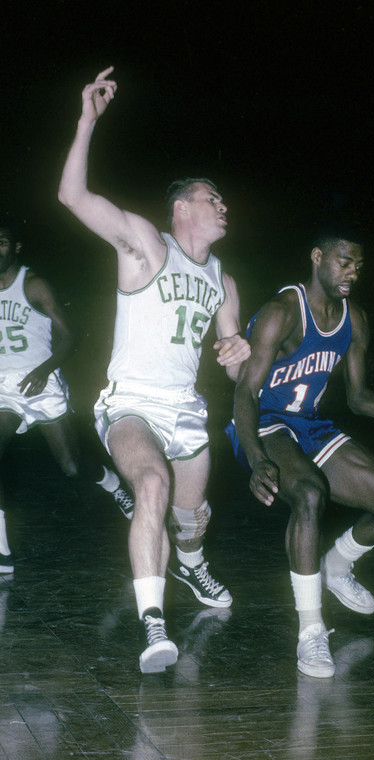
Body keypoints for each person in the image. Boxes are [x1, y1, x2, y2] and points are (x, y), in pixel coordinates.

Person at [58, 67, 250, 674]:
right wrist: (87, 122)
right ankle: (154, 626)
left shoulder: (224, 280)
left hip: (186, 410)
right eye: (210, 196)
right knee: (151, 488)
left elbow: (233, 354)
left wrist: (238, 354)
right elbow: (73, 198)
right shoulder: (146, 245)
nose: (223, 204)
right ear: (180, 208)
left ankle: (191, 561)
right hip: (131, 403)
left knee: (190, 523)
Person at [228, 225, 374, 679]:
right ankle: (311, 631)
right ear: (317, 257)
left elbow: (359, 399)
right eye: (344, 261)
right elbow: (245, 391)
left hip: (310, 425)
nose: (353, 272)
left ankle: (336, 566)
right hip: (264, 422)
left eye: (358, 265)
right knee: (310, 495)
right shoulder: (282, 311)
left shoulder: (355, 319)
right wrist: (256, 457)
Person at [0, 217, 134, 574]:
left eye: (2, 242)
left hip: (41, 383)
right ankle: (2, 551)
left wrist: (44, 369)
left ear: (16, 248)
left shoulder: (34, 285)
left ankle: (111, 481)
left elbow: (72, 337)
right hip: (4, 387)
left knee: (72, 467)